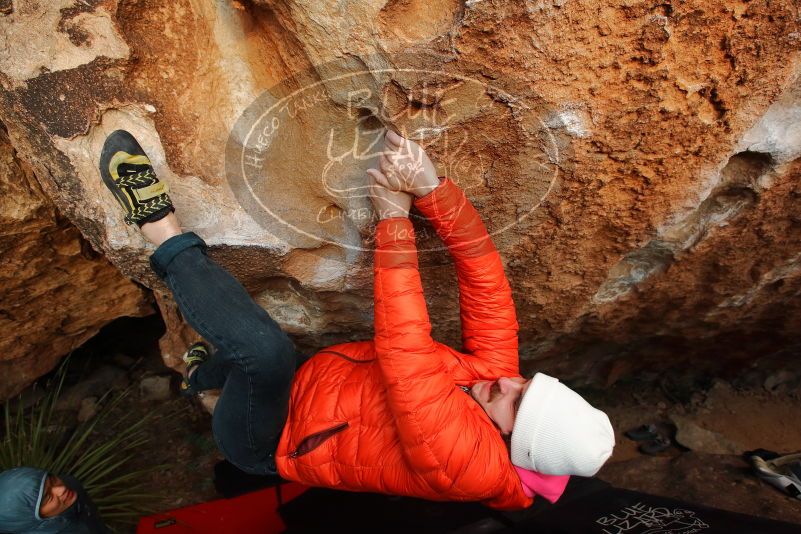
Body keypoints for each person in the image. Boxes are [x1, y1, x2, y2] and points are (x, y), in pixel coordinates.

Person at [97, 129, 614, 510]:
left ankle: (158, 226)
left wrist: (393, 218)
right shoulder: (493, 384)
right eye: (526, 381)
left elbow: (406, 352)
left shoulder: (470, 468)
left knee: (264, 354)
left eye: (516, 399)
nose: (504, 379)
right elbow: (488, 289)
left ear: (514, 441)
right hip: (316, 384)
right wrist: (434, 192)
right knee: (239, 362)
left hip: (270, 438)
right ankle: (200, 373)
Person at [0, 467, 109, 533]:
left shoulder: (71, 486)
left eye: (52, 480)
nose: (61, 489)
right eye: (48, 497)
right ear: (29, 518)